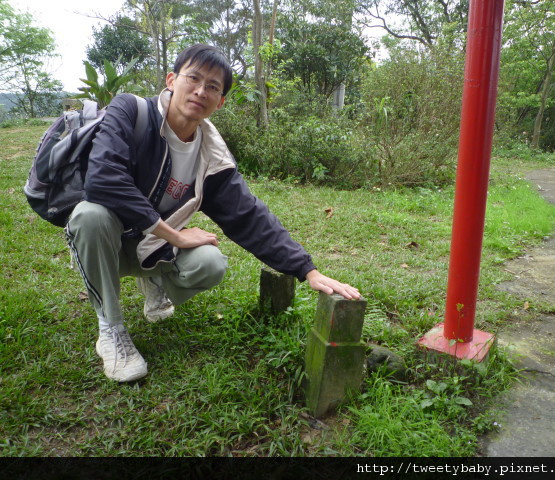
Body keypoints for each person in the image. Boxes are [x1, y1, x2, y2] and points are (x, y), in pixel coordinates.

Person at [65, 44, 360, 383]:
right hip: (103, 247)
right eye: (194, 78)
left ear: (220, 102)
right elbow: (102, 181)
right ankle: (111, 330)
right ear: (172, 80)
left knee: (210, 263)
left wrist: (307, 270)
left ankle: (154, 280)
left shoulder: (210, 156)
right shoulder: (131, 111)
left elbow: (249, 217)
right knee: (91, 215)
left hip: (150, 246)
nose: (201, 91)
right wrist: (174, 235)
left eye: (213, 87)